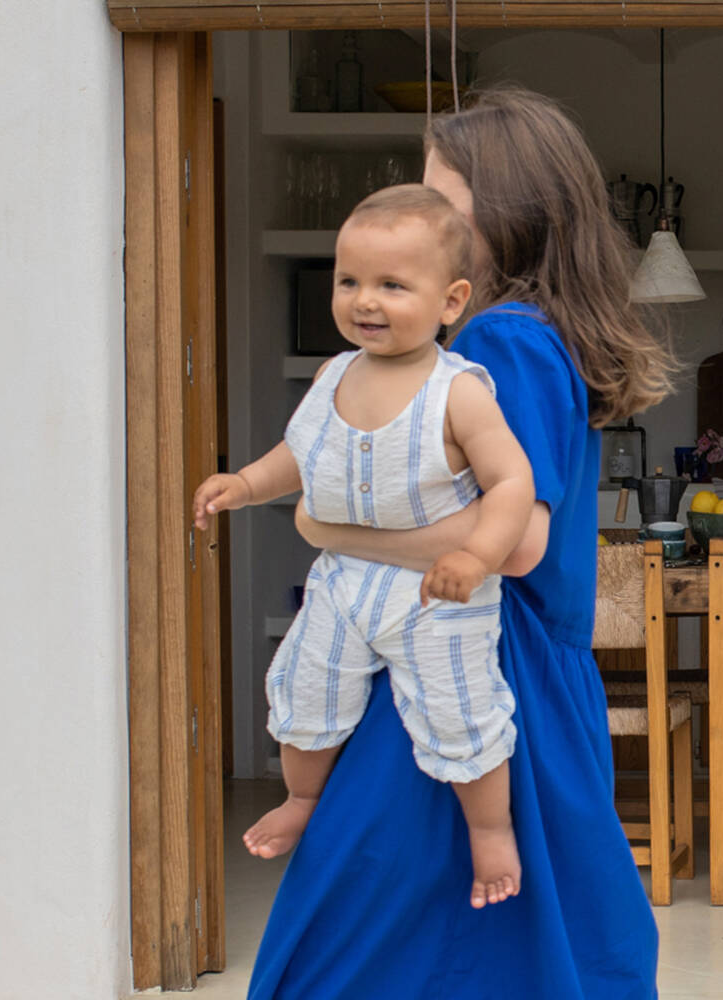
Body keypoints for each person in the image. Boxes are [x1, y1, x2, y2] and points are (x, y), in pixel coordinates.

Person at [247, 87, 678, 1000]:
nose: (424, 211)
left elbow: (516, 543)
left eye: (442, 194)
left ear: (503, 211)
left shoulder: (498, 345)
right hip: (506, 663)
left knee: (355, 942)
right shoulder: (526, 335)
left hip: (479, 660)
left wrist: (328, 527)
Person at [193, 184, 536, 908]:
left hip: (435, 591)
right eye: (348, 281)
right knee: (305, 689)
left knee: (461, 708)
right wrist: (247, 485)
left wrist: (475, 558)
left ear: (451, 301)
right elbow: (301, 452)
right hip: (344, 581)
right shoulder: (333, 374)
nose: (364, 301)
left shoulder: (460, 392)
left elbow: (510, 482)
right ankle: (302, 798)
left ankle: (491, 832)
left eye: (391, 285)